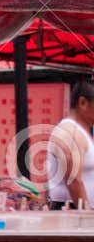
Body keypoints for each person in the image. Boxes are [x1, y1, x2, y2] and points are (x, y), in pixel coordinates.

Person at [46, 78, 94, 208]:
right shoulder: (69, 131)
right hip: (71, 212)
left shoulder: (81, 132)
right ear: (83, 103)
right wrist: (86, 215)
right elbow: (73, 179)